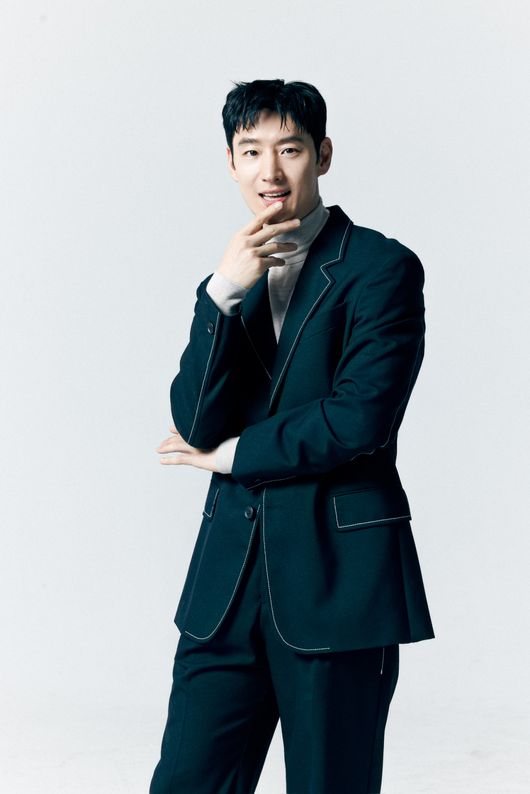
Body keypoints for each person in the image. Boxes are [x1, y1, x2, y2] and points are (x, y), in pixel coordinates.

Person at [149, 78, 435, 794]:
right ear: (231, 162)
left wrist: (231, 456)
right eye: (251, 151)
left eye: (290, 149)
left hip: (337, 577)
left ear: (323, 155)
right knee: (186, 781)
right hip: (226, 587)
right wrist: (222, 291)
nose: (269, 171)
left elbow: (359, 417)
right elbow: (193, 420)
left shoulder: (381, 269)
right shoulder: (229, 280)